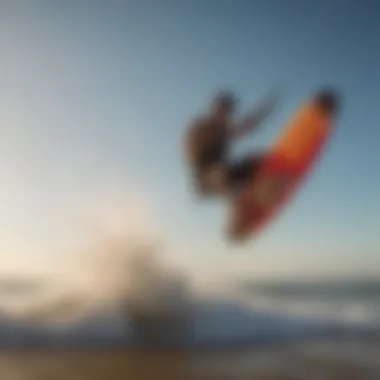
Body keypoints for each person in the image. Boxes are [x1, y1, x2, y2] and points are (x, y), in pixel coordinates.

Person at [183, 89, 280, 200]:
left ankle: (256, 191)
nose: (226, 115)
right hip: (206, 178)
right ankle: (241, 198)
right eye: (223, 110)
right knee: (220, 174)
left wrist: (266, 109)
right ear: (216, 108)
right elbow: (190, 150)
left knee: (258, 162)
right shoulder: (202, 127)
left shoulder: (225, 128)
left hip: (224, 173)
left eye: (228, 112)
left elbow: (247, 125)